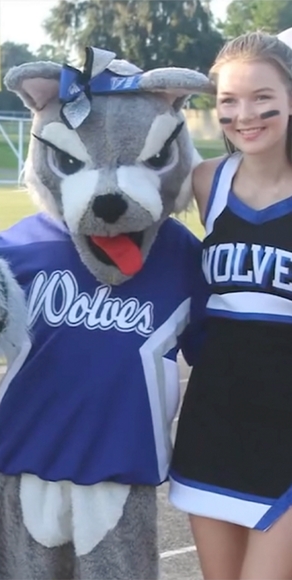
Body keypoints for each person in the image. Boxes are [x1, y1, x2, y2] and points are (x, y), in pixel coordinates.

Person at [169, 31, 292, 580]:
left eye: (262, 97)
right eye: (228, 101)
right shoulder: (206, 183)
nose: (245, 115)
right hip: (214, 423)